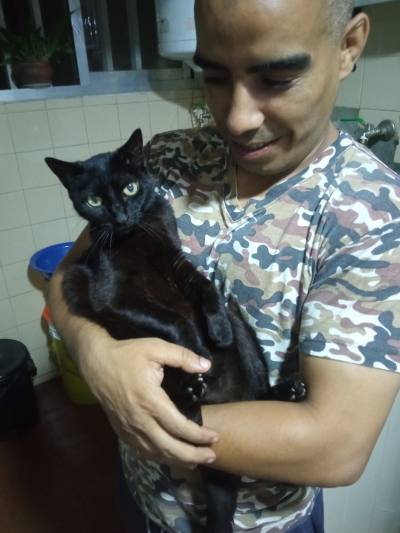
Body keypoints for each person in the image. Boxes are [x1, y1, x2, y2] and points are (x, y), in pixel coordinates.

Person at [48, 0, 400, 531]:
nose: (237, 118)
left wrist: (138, 411)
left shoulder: (374, 213)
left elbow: (336, 448)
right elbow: (66, 277)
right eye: (213, 76)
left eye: (276, 78)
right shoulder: (164, 160)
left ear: (349, 46)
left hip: (263, 522)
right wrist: (95, 355)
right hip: (142, 493)